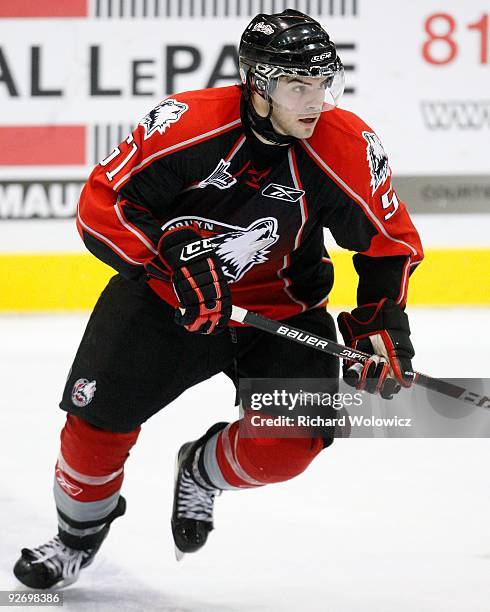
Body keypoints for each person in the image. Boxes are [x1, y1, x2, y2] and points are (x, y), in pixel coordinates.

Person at [14, 9, 423, 589]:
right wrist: (170, 263)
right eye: (295, 85)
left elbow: (387, 243)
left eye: (322, 83)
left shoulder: (345, 143)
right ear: (258, 83)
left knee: (287, 449)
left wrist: (381, 319)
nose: (313, 100)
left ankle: (200, 472)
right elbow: (102, 206)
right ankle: (77, 537)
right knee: (92, 431)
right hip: (164, 303)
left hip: (281, 313)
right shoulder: (187, 124)